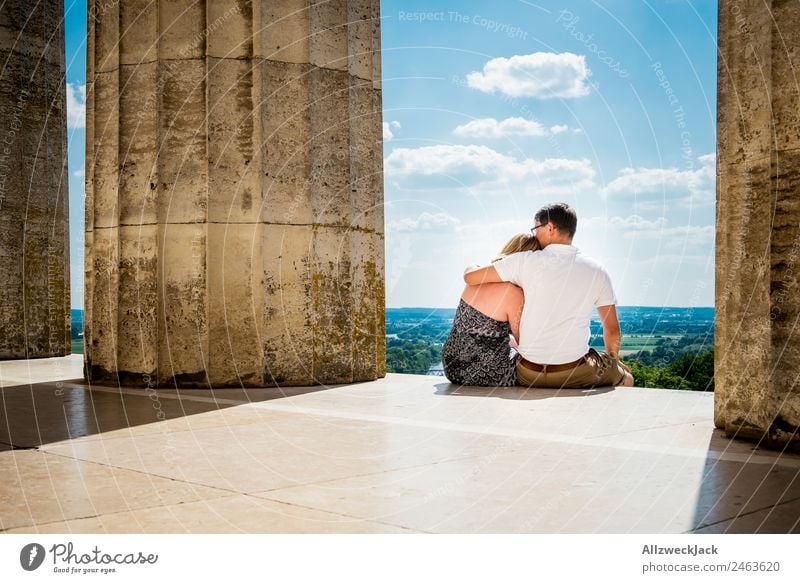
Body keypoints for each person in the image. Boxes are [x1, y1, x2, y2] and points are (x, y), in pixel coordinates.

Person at [463, 203, 634, 388]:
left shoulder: (522, 261)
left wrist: (471, 265)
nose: (534, 234)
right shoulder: (598, 271)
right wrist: (614, 362)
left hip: (528, 373)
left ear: (550, 227)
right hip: (575, 372)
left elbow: (471, 278)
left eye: (536, 228)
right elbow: (612, 330)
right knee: (626, 377)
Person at [441, 233, 541, 386]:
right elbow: (524, 343)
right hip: (488, 371)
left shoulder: (476, 277)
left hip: (451, 367)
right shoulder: (514, 294)